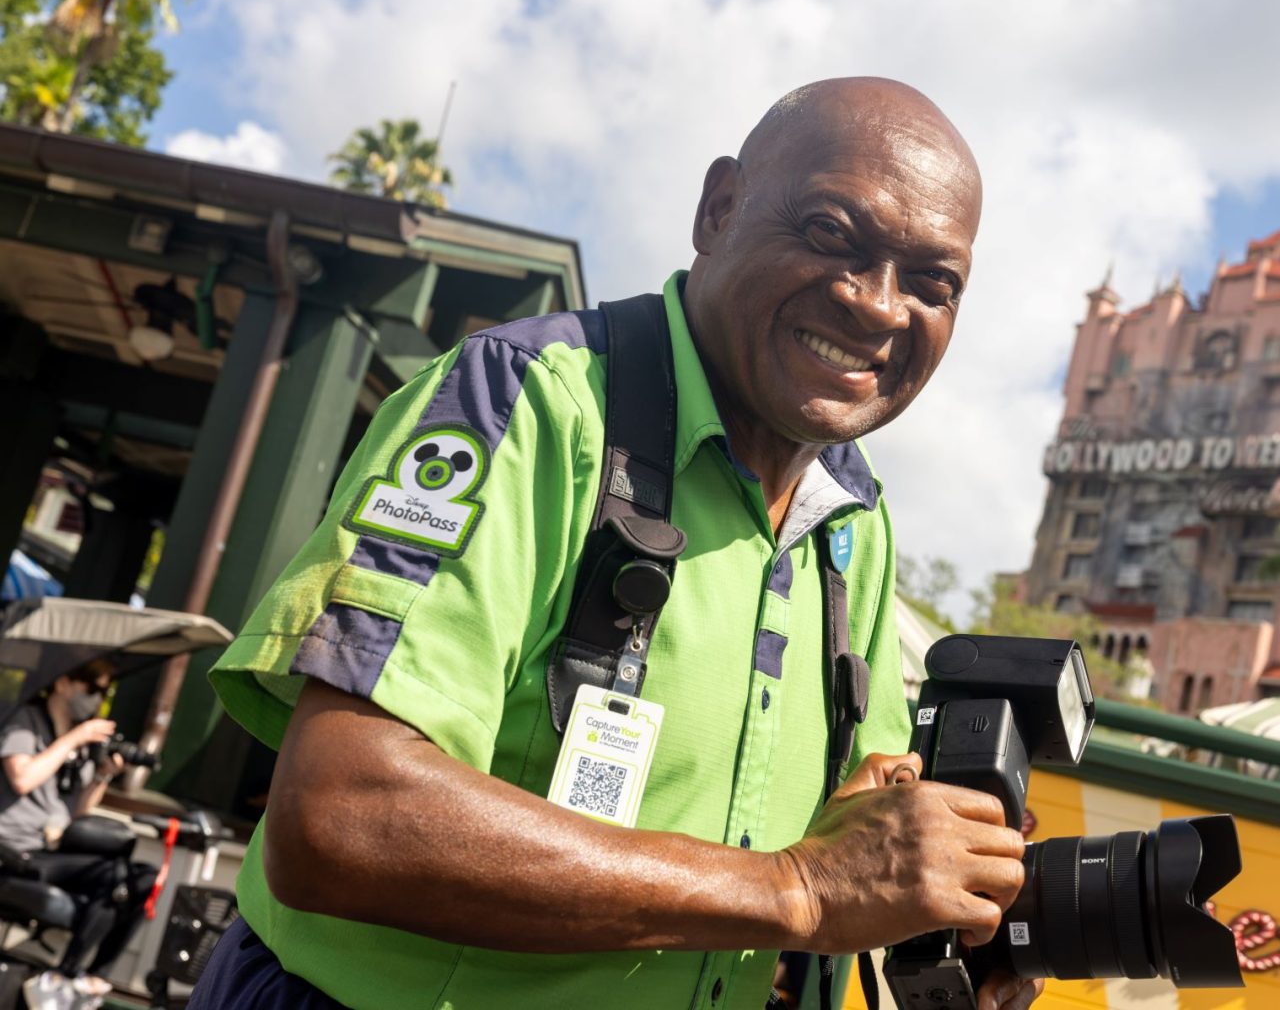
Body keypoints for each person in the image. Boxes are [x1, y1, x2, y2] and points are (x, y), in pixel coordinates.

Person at [191, 77, 1043, 1010]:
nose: (880, 306)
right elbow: (339, 818)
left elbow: (845, 843)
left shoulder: (855, 520)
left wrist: (952, 898)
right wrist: (795, 891)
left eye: (933, 283)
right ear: (717, 210)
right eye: (833, 235)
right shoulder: (530, 403)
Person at [0, 660, 156, 991]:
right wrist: (73, 738)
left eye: (105, 693)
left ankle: (95, 976)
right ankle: (66, 974)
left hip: (49, 850)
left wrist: (103, 775)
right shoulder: (24, 722)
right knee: (112, 875)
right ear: (63, 683)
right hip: (12, 851)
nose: (97, 700)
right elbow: (23, 778)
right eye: (93, 689)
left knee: (142, 878)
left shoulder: (82, 744)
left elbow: (78, 813)